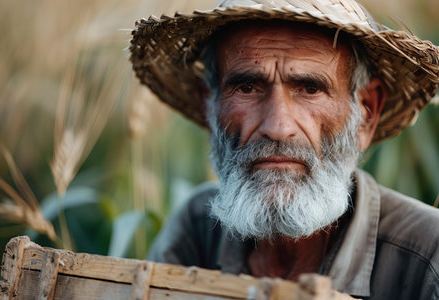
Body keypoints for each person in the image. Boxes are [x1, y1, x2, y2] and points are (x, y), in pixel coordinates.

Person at [129, 0, 439, 299]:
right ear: (209, 106)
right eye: (247, 88)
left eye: (310, 88)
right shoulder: (196, 232)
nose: (277, 127)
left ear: (366, 113)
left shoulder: (428, 255)